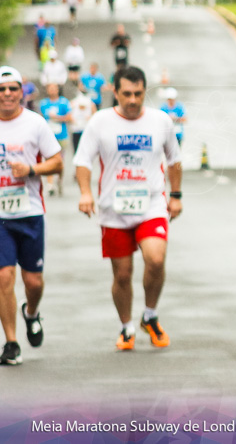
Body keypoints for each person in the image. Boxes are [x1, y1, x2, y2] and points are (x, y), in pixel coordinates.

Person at [73, 66, 183, 350]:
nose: (132, 100)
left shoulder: (160, 121)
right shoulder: (100, 122)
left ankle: (150, 315)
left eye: (138, 94)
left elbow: (174, 160)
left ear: (145, 91)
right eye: (126, 94)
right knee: (122, 275)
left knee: (155, 259)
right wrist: (85, 193)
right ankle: (126, 327)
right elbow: (82, 161)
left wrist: (176, 195)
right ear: (115, 92)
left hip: (151, 204)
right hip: (114, 208)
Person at [0, 67, 63, 366]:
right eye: (2, 89)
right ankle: (11, 342)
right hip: (0, 218)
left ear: (21, 92)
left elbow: (58, 162)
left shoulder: (35, 124)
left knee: (33, 282)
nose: (7, 94)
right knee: (4, 277)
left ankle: (31, 313)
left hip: (29, 212)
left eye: (13, 88)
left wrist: (32, 170)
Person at [38, 83, 70, 197]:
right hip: (48, 136)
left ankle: (59, 181)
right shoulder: (43, 104)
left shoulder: (64, 102)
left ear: (57, 90)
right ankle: (50, 184)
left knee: (59, 161)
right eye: (50, 88)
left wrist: (56, 117)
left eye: (54, 88)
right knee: (48, 160)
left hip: (61, 136)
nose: (52, 90)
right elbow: (40, 119)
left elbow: (70, 117)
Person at [68, 88, 97, 153]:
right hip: (76, 129)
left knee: (86, 150)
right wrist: (73, 121)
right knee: (76, 150)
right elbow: (68, 114)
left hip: (86, 129)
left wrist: (90, 118)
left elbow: (95, 115)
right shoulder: (73, 103)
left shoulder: (91, 103)